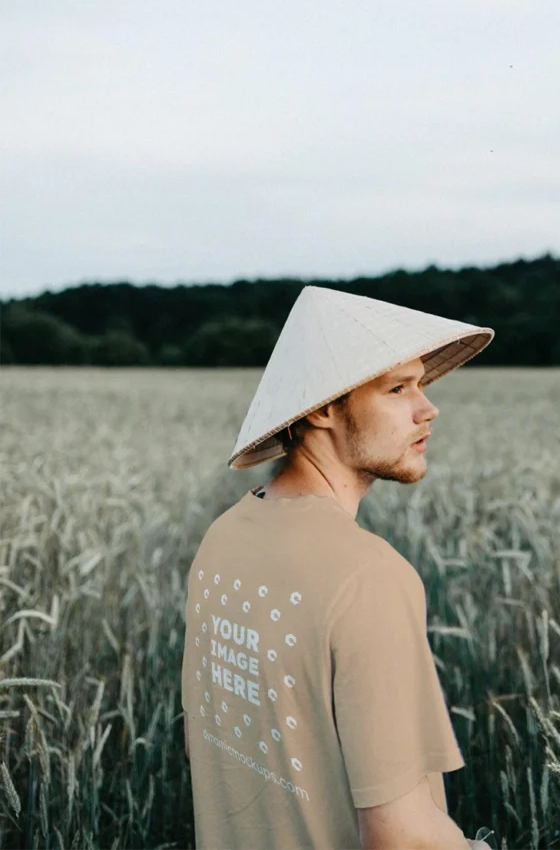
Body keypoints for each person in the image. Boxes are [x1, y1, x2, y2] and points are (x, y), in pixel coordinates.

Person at [181, 284, 494, 849]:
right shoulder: (368, 576)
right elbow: (402, 837)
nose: (429, 408)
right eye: (398, 387)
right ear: (323, 406)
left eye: (422, 384)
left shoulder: (222, 539)